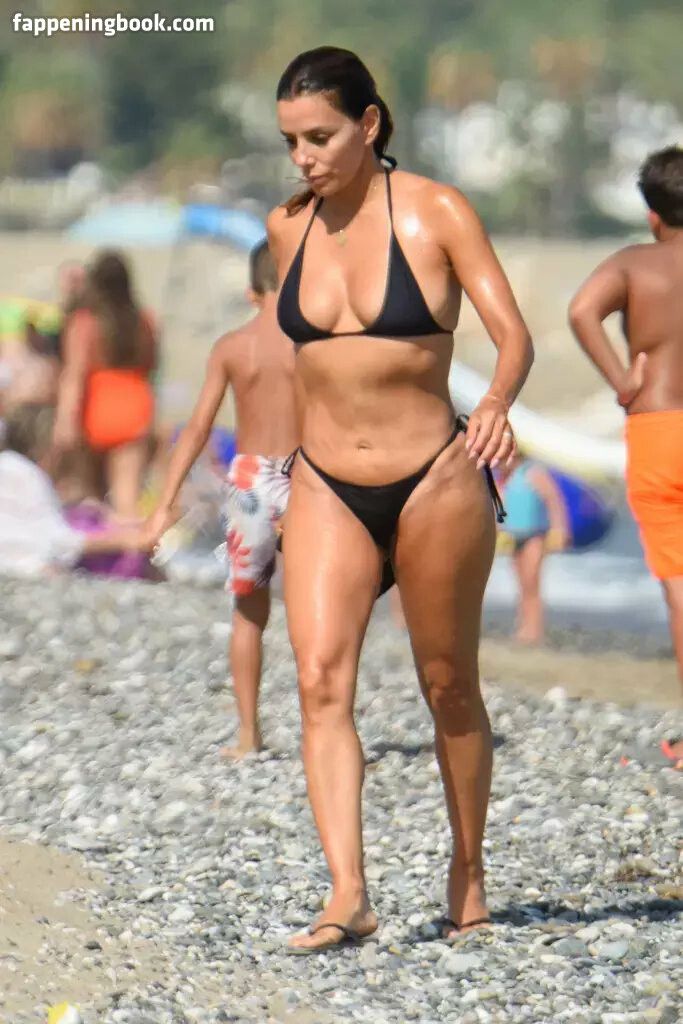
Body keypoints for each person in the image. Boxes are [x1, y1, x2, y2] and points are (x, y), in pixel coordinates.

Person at [267, 46, 533, 952]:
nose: (302, 157)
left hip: (434, 480)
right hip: (323, 483)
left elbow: (512, 336)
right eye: (290, 141)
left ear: (369, 123)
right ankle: (347, 893)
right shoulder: (286, 228)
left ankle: (468, 871)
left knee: (447, 683)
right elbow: (300, 369)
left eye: (319, 136)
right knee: (317, 680)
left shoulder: (436, 211)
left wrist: (494, 404)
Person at [145, 240, 298, 758]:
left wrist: (165, 500)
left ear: (251, 293)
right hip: (307, 476)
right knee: (313, 610)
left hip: (250, 480)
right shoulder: (314, 343)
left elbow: (197, 427)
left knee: (248, 612)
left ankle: (249, 734)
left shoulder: (233, 346)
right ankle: (326, 727)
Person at [569, 144, 683, 766]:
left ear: (651, 213)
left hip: (658, 428)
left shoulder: (635, 264)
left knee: (680, 585)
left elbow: (581, 310)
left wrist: (621, 380)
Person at [53, 251, 157, 520]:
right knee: (127, 502)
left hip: (95, 408)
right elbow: (151, 368)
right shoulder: (145, 321)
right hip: (135, 407)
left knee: (91, 500)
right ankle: (131, 545)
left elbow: (74, 375)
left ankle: (99, 546)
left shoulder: (85, 323)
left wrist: (65, 422)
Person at [0, 403, 145, 577]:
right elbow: (61, 542)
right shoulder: (26, 474)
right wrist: (127, 540)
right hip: (24, 568)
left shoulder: (11, 466)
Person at [498, 451, 569, 644]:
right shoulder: (503, 479)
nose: (497, 464)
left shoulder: (533, 473)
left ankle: (534, 629)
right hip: (513, 535)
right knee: (521, 584)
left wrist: (559, 530)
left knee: (532, 582)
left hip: (534, 535)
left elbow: (554, 501)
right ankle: (524, 627)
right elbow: (499, 509)